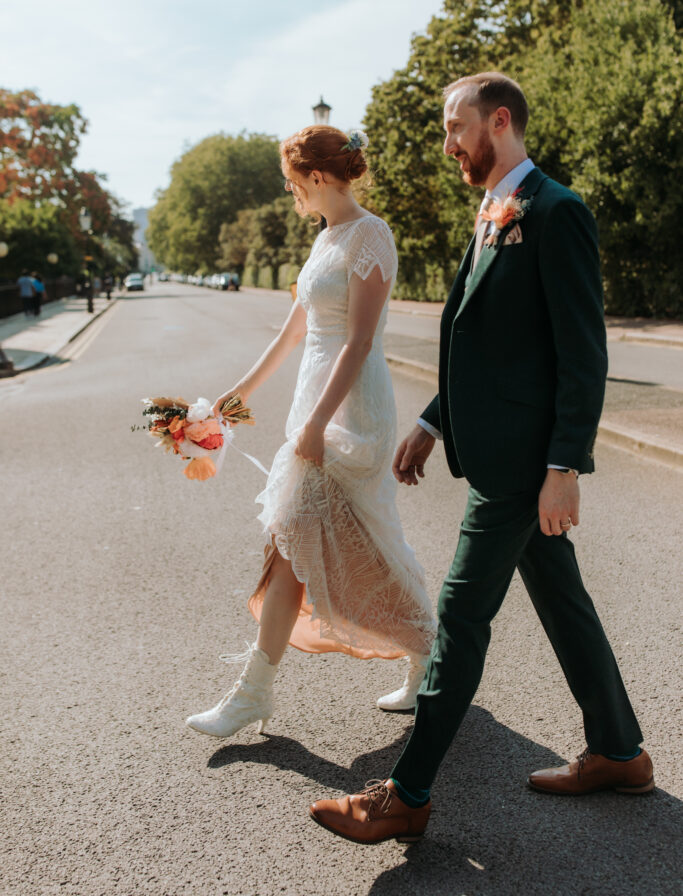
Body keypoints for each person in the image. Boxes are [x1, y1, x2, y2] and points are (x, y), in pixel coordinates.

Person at [309, 73, 653, 845]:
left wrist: (564, 465)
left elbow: (579, 353)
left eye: (454, 127)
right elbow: (488, 344)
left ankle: (406, 792)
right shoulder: (492, 211)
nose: (446, 143)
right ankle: (620, 753)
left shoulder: (557, 213)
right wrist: (432, 422)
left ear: (499, 121)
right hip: (498, 449)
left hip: (522, 464)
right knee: (563, 604)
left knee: (460, 618)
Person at [185, 125, 437, 740]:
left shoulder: (371, 235)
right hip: (313, 404)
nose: (292, 194)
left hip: (352, 411)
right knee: (309, 540)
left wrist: (321, 423)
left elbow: (358, 341)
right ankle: (427, 658)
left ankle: (259, 689)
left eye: (294, 183)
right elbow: (293, 332)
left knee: (336, 537)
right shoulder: (324, 239)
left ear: (319, 177)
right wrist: (236, 396)